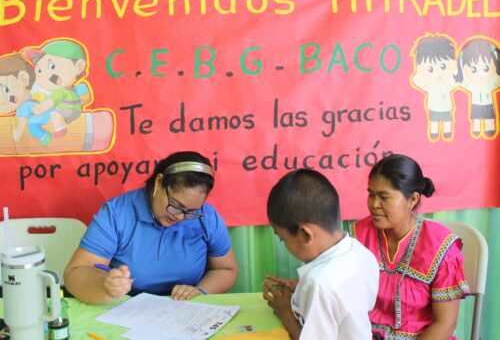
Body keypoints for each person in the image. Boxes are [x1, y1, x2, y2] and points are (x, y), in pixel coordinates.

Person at [64, 151, 238, 304]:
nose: (179, 216)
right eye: (176, 205)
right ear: (159, 182)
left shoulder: (206, 217)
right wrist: (105, 285)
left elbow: (225, 269)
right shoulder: (118, 213)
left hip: (184, 311)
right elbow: (75, 273)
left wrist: (200, 291)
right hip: (126, 309)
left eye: (191, 211)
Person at [349, 154, 470, 340]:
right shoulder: (358, 235)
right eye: (371, 194)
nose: (374, 204)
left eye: (384, 197)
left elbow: (445, 324)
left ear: (412, 199)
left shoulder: (440, 247)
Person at [263, 169, 379, 340]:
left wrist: (285, 312)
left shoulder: (321, 284)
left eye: (283, 239)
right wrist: (302, 288)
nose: (285, 245)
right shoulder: (360, 252)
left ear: (305, 234)